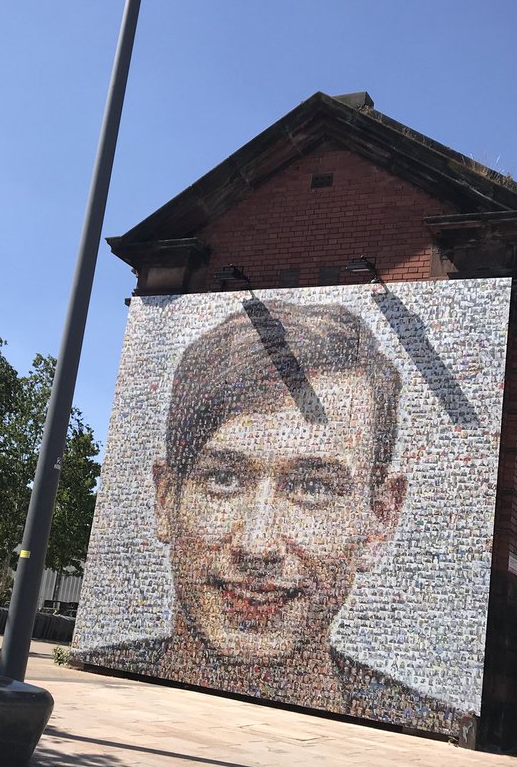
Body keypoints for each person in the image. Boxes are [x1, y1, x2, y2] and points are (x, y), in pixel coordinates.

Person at [79, 298, 461, 734]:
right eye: (223, 479)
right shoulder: (101, 671)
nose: (257, 545)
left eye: (312, 487)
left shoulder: (422, 723)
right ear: (166, 499)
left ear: (379, 518)